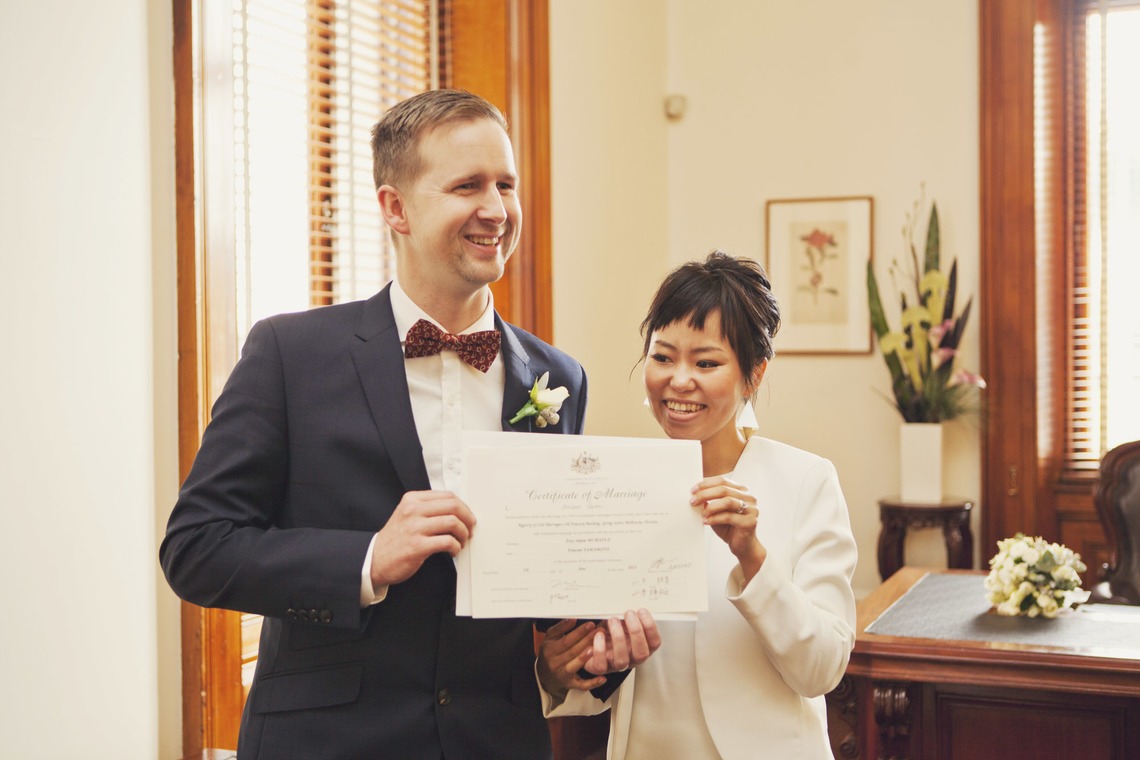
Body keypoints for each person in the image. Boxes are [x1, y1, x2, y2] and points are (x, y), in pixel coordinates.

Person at [161, 89, 653, 760]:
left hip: (496, 743)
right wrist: (366, 559)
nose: (497, 209)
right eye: (467, 185)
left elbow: (552, 593)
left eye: (506, 184)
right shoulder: (289, 354)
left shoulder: (558, 377)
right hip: (324, 742)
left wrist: (593, 654)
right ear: (395, 207)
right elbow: (196, 549)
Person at [537, 250, 858, 759]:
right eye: (663, 357)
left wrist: (753, 556)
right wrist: (562, 671)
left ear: (754, 373)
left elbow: (821, 669)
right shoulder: (615, 486)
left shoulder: (806, 481)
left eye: (706, 363)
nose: (679, 380)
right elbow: (591, 678)